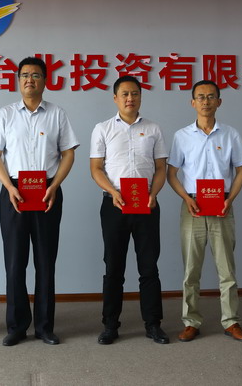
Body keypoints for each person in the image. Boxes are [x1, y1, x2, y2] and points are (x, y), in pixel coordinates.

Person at [0, 56, 79, 346]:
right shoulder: (5, 114)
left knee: (45, 261)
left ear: (45, 81)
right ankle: (16, 326)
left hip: (47, 190)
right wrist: (8, 186)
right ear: (18, 80)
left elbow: (68, 153)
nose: (30, 80)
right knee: (15, 262)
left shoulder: (57, 114)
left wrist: (55, 185)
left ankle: (44, 326)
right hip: (14, 191)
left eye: (36, 75)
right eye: (25, 75)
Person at [167, 80, 242, 342]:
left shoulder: (230, 134)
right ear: (192, 102)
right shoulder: (181, 136)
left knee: (227, 269)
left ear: (219, 102)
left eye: (211, 96)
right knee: (191, 270)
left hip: (222, 205)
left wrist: (230, 199)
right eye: (201, 97)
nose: (206, 101)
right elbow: (171, 173)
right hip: (192, 206)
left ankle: (231, 321)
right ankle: (191, 321)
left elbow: (241, 170)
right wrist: (185, 198)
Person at [89, 75, 170, 345]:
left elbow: (161, 168)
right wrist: (113, 192)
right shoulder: (102, 129)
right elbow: (95, 168)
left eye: (134, 93)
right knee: (113, 267)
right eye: (124, 94)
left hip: (147, 203)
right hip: (114, 205)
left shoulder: (154, 128)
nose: (130, 98)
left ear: (140, 97)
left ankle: (153, 324)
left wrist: (153, 194)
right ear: (115, 98)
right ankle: (110, 325)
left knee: (149, 266)